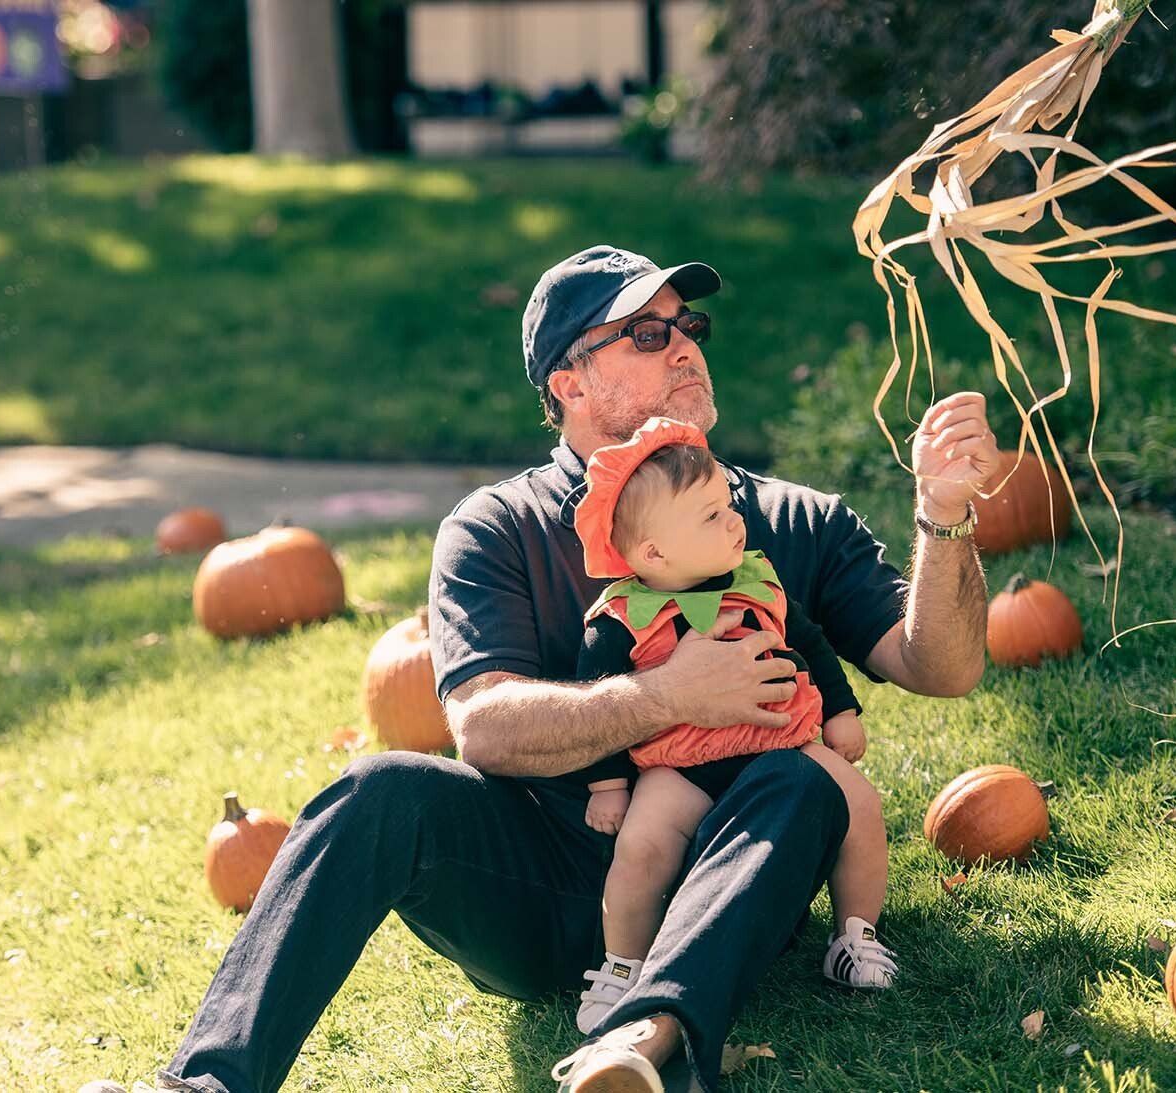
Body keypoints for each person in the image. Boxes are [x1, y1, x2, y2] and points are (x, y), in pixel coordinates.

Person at [122, 244, 995, 1093]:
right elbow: (485, 728)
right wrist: (667, 694)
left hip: (735, 867)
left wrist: (942, 515)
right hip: (544, 882)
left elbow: (940, 666)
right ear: (569, 384)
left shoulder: (790, 519)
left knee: (803, 779)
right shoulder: (496, 525)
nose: (685, 342)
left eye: (686, 323)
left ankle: (647, 1043)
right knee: (377, 786)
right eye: (647, 334)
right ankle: (204, 1084)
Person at [566, 417, 895, 1041]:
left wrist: (840, 710)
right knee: (642, 848)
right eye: (710, 515)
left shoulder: (760, 583)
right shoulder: (621, 621)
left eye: (728, 505)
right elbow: (599, 706)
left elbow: (811, 648)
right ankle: (621, 965)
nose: (734, 521)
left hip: (783, 743)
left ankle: (855, 933)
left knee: (860, 805)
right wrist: (607, 787)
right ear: (653, 553)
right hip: (680, 764)